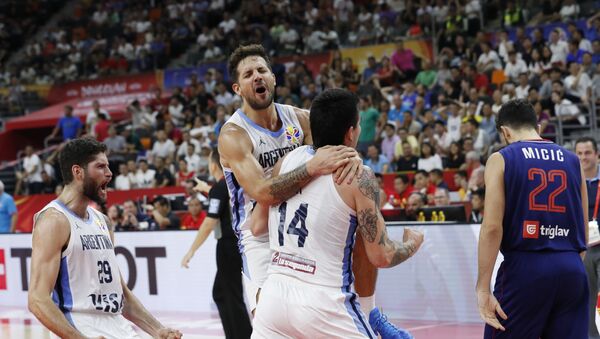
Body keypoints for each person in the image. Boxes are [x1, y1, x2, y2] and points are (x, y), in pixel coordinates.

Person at [219, 44, 400, 337]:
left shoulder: (300, 118)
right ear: (238, 88)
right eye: (249, 74)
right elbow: (264, 193)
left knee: (362, 224)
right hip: (259, 234)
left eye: (262, 70)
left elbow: (336, 148)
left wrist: (354, 164)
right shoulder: (233, 135)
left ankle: (369, 314)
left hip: (298, 222)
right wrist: (312, 168)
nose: (257, 77)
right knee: (275, 319)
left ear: (273, 78)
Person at [251, 88, 423, 339]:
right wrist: (412, 243)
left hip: (273, 298)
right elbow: (382, 256)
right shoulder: (357, 175)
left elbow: (257, 225)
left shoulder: (285, 162)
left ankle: (369, 313)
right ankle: (369, 313)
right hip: (323, 303)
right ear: (351, 133)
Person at [27, 137, 181, 338]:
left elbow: (122, 295)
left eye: (108, 166)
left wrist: (157, 329)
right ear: (78, 172)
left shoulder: (103, 221)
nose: (109, 173)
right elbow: (37, 299)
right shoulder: (53, 221)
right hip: (81, 327)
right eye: (100, 166)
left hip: (118, 327)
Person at [476, 99, 588, 338]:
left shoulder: (501, 158)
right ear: (536, 125)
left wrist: (483, 288)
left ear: (505, 132)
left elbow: (492, 228)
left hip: (526, 269)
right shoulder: (572, 160)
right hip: (572, 267)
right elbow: (583, 222)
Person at [181, 148, 252, 338]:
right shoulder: (229, 184)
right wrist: (206, 189)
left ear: (213, 165)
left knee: (231, 295)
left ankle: (243, 335)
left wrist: (191, 251)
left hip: (228, 245)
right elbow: (221, 196)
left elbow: (209, 222)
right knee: (221, 293)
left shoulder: (220, 188)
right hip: (237, 243)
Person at [575, 136, 600, 339]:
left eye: (588, 153)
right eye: (579, 153)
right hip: (583, 248)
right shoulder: (570, 180)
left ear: (597, 155)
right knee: (588, 298)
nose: (583, 157)